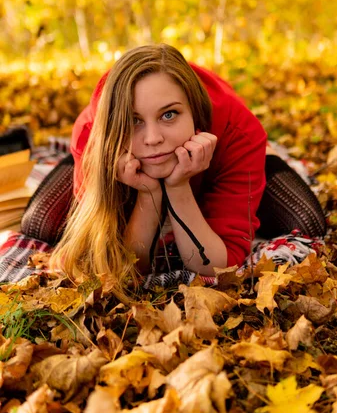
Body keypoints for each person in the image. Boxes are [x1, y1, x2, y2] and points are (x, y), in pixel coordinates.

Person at [48, 44, 326, 295]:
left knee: (307, 221)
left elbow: (218, 266)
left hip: (225, 151)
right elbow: (123, 269)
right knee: (39, 224)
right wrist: (148, 193)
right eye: (134, 121)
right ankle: (70, 162)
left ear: (192, 111)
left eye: (168, 115)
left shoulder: (236, 129)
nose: (153, 138)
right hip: (109, 155)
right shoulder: (93, 137)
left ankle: (268, 155)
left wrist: (178, 187)